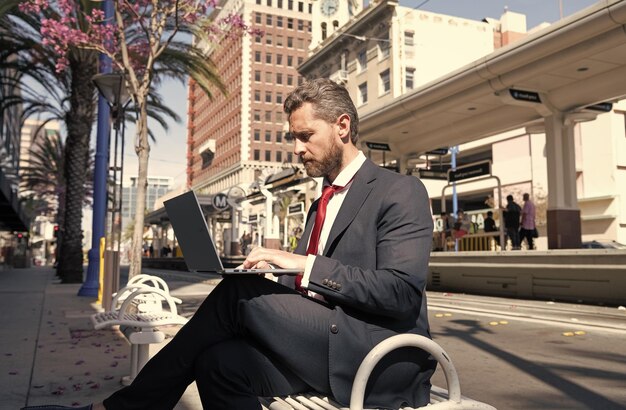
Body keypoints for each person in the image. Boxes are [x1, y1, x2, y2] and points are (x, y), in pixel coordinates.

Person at [26, 79, 436, 410]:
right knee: (217, 362)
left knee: (237, 294)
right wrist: (279, 277)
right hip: (323, 346)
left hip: (378, 356)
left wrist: (302, 264)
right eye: (293, 137)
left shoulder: (399, 191)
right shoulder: (319, 204)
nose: (296, 149)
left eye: (306, 135)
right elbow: (313, 291)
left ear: (342, 126)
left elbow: (399, 293)